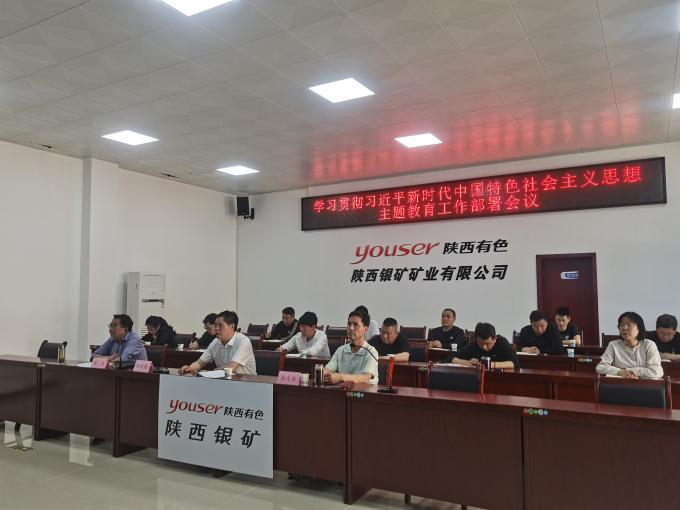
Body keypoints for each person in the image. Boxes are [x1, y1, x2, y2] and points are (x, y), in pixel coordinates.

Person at [179, 310, 256, 375]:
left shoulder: (243, 341)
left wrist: (212, 371)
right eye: (215, 325)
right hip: (224, 382)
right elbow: (199, 363)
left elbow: (230, 368)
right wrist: (190, 368)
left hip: (247, 382)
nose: (216, 328)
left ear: (232, 326)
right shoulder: (215, 342)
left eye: (220, 325)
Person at [596, 311, 663, 379]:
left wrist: (626, 370)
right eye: (621, 325)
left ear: (639, 328)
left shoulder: (649, 345)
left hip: (646, 384)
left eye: (629, 325)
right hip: (622, 384)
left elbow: (656, 371)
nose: (624, 328)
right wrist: (620, 371)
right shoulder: (613, 345)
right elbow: (600, 367)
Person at [324, 308, 379, 384]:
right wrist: (321, 373)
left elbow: (365, 377)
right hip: (345, 390)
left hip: (366, 390)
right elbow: (328, 370)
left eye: (356, 325)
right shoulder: (341, 350)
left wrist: (340, 377)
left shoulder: (371, 352)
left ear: (365, 329)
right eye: (349, 324)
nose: (351, 328)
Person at [449, 322, 519, 369]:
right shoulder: (474, 344)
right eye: (480, 343)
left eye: (487, 344)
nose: (484, 347)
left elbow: (515, 363)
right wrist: (467, 362)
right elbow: (451, 359)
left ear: (494, 339)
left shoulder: (501, 342)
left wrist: (491, 365)